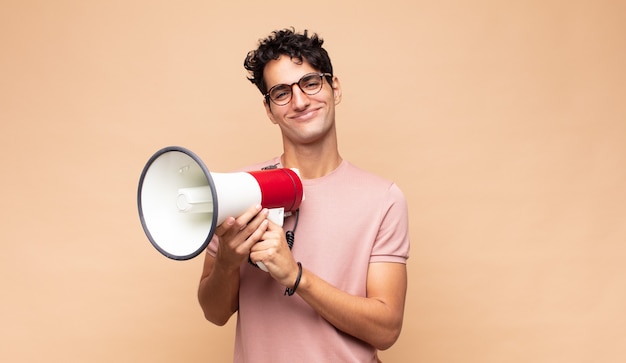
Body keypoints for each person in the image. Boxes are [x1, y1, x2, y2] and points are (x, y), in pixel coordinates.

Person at [197, 28, 410, 363]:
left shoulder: (383, 199)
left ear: (334, 88)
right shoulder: (238, 190)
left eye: (310, 83)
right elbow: (214, 313)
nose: (299, 101)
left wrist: (296, 276)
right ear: (269, 109)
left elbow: (386, 330)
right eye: (281, 92)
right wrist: (226, 260)